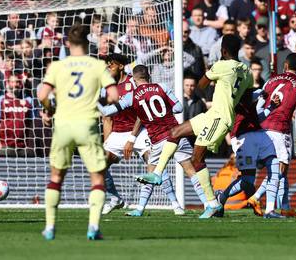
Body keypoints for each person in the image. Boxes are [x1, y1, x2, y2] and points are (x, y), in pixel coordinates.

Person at [136, 35, 252, 219]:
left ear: (223, 51)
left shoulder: (221, 66)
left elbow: (200, 85)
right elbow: (245, 98)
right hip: (213, 115)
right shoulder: (247, 71)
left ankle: (212, 203)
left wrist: (214, 84)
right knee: (174, 132)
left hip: (218, 118)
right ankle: (157, 173)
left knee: (197, 159)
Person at [37, 23, 119, 241]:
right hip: (87, 125)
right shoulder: (96, 65)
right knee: (97, 178)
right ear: (87, 42)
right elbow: (114, 95)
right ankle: (93, 227)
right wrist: (101, 99)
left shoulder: (57, 66)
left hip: (63, 125)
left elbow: (42, 93)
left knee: (56, 177)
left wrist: (49, 108)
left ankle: (50, 227)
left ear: (67, 43)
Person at [99, 64, 207, 217]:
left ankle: (140, 209)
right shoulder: (161, 87)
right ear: (148, 76)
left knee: (153, 173)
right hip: (175, 133)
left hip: (157, 138)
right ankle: (208, 204)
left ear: (135, 80)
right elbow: (178, 108)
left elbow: (106, 112)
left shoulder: (133, 95)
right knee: (191, 170)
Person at [249, 53, 296, 217]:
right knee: (280, 170)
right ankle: (257, 198)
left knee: (279, 170)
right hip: (281, 130)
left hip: (263, 129)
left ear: (286, 66)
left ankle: (285, 206)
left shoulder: (270, 80)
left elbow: (259, 107)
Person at [216, 89, 282, 218]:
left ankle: (270, 210)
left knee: (275, 164)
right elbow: (249, 95)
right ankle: (222, 197)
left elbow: (258, 118)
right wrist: (263, 91)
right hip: (242, 138)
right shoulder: (233, 94)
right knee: (248, 180)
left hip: (259, 135)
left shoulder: (248, 92)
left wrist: (271, 106)